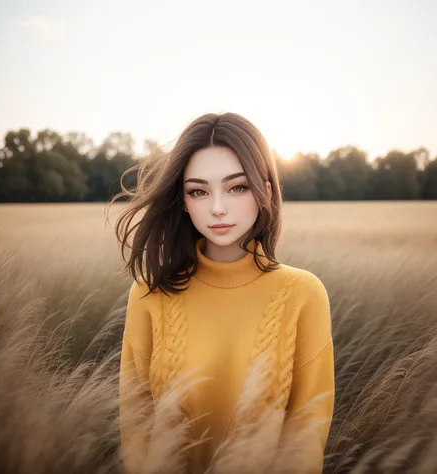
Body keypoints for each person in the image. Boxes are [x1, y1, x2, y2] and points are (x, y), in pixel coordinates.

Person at [112, 112, 335, 473]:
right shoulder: (149, 294)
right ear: (183, 200)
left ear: (264, 189)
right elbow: (136, 433)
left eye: (237, 187)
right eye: (198, 191)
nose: (217, 207)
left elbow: (307, 437)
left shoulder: (302, 294)